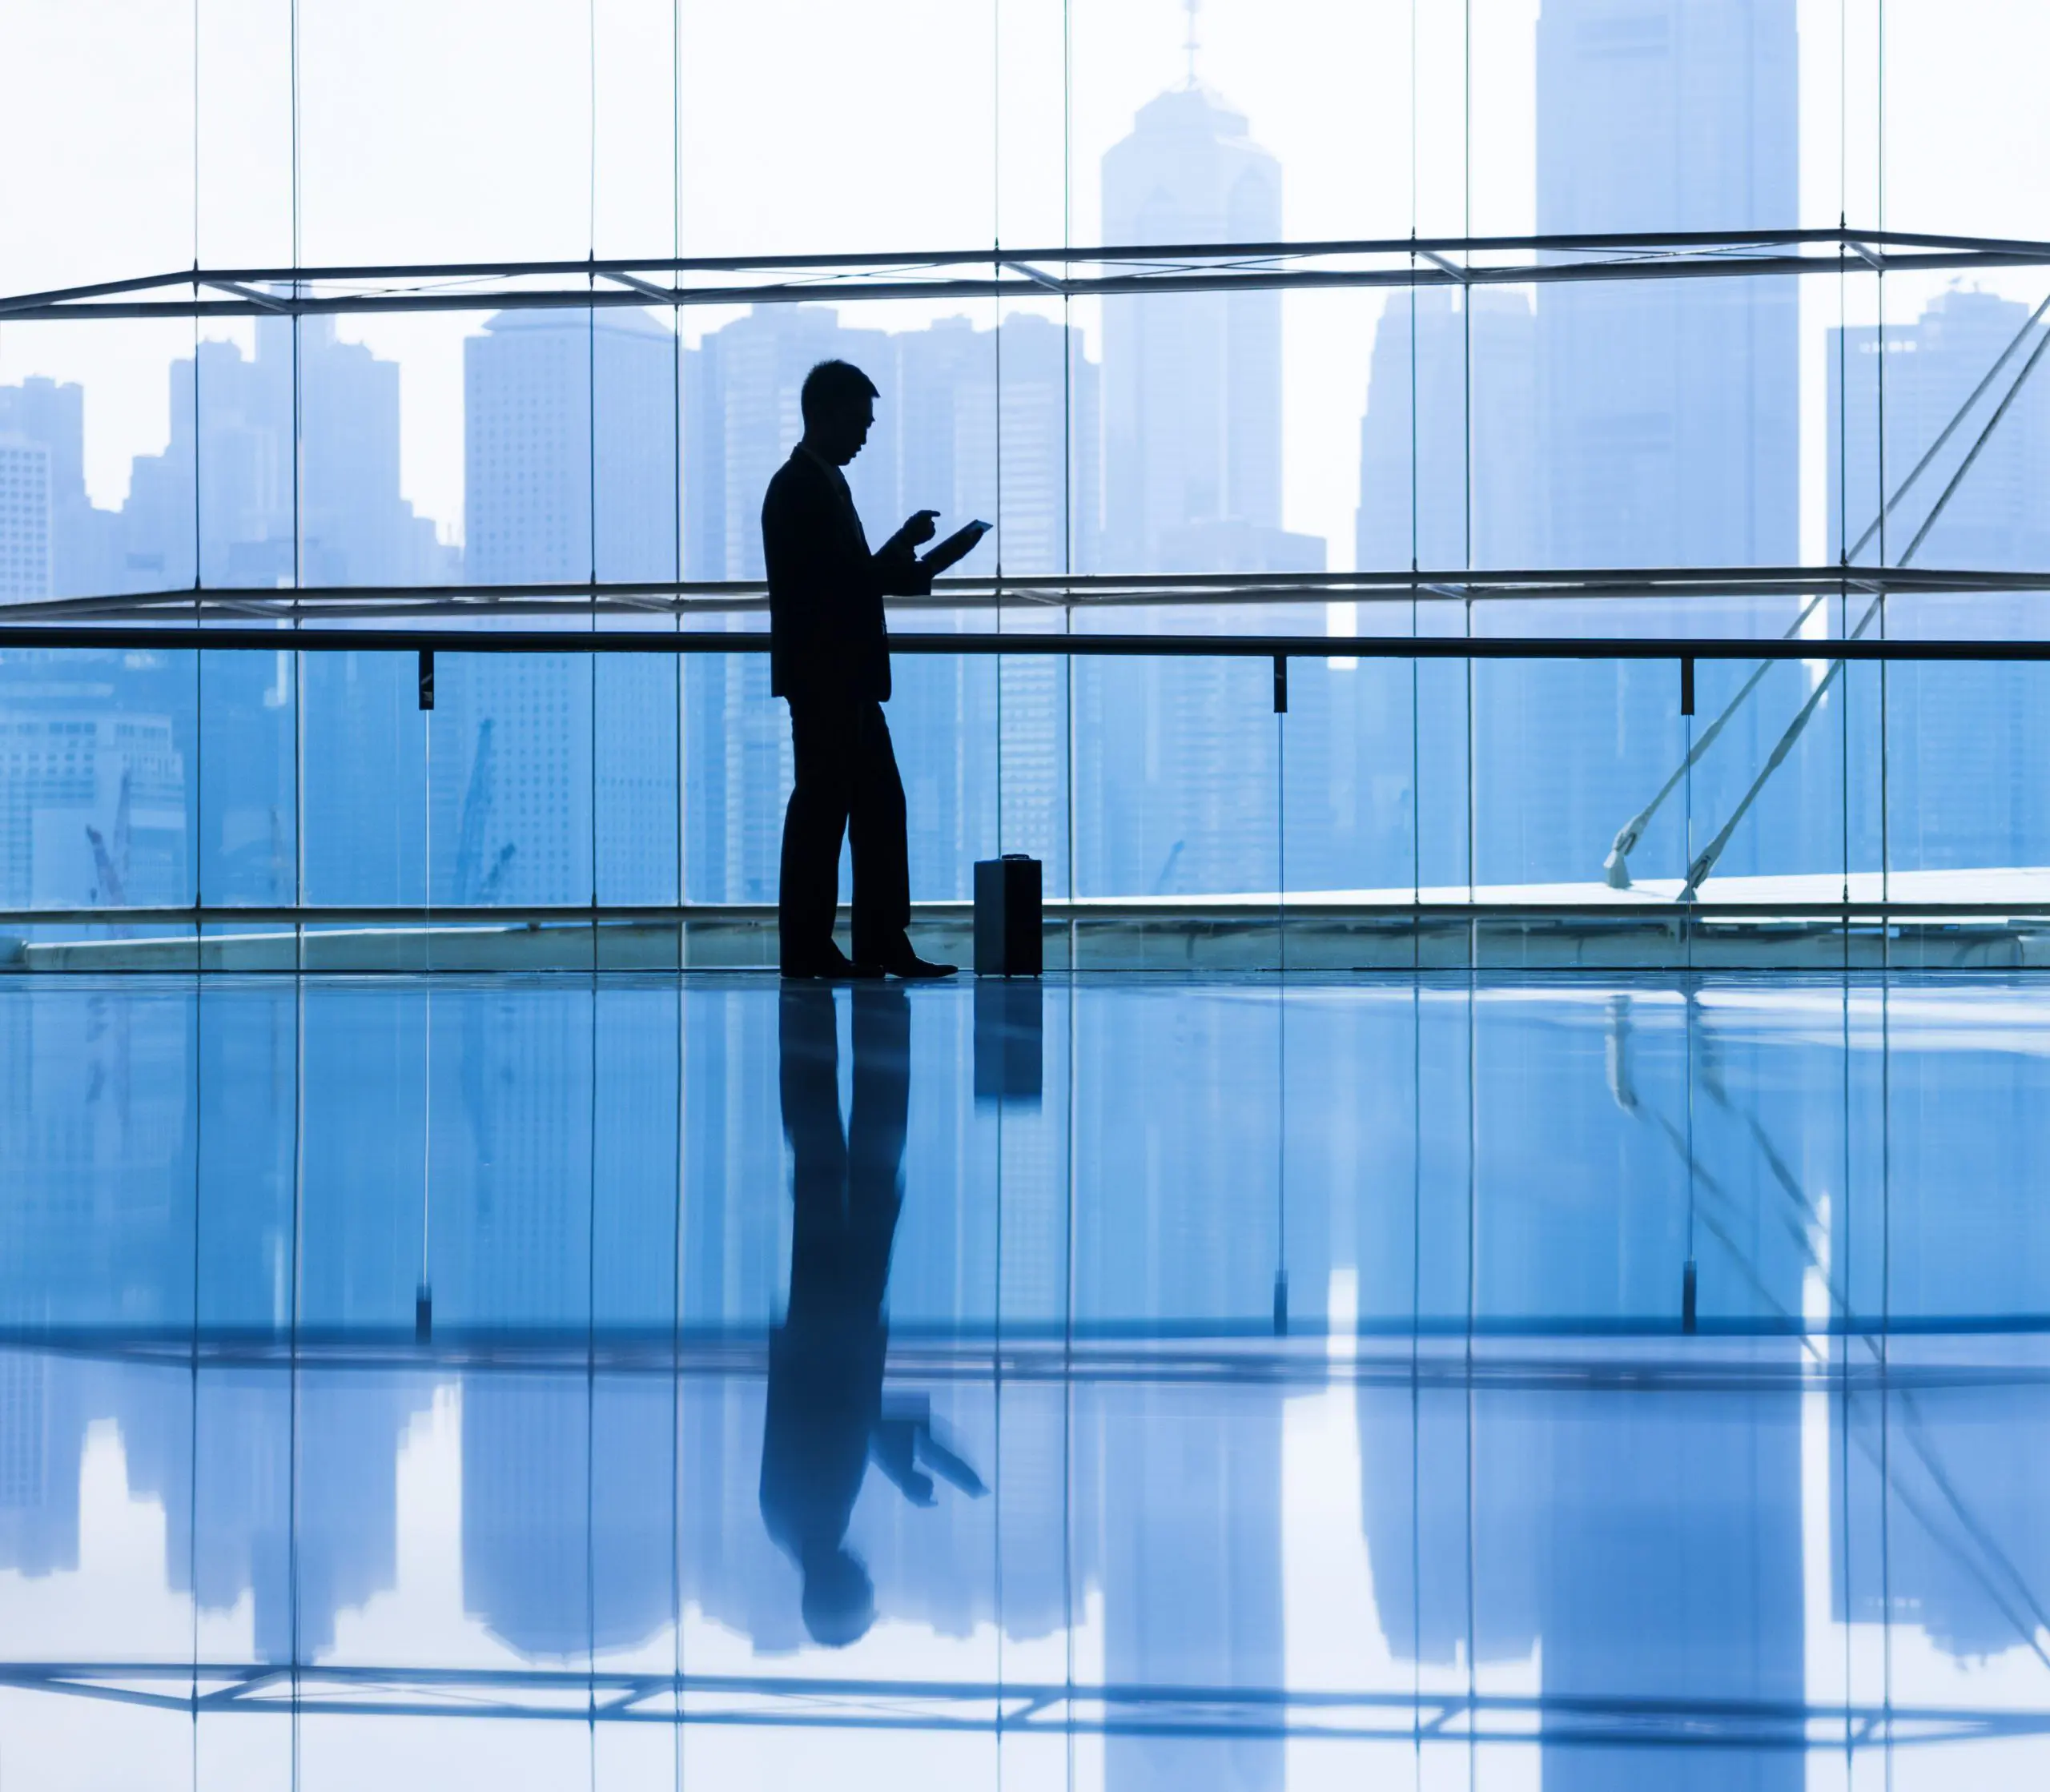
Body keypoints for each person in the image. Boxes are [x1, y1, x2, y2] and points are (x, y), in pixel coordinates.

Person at [759, 982, 985, 1646]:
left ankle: (875, 1011)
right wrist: (907, 1464)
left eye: (864, 1591)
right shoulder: (793, 1526)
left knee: (868, 1158)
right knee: (822, 1158)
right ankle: (813, 1012)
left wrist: (918, 1463)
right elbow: (847, 1423)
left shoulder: (815, 1515)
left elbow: (852, 1418)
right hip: (819, 1316)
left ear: (844, 1590)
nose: (870, 1578)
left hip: (839, 1314)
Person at [763, 359, 955, 980]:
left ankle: (868, 941)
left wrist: (900, 549)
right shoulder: (800, 488)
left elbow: (842, 576)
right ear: (823, 414)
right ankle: (824, 945)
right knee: (830, 813)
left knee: (868, 808)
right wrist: (905, 571)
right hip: (829, 680)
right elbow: (835, 586)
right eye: (859, 422)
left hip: (839, 679)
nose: (866, 436)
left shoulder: (818, 485)